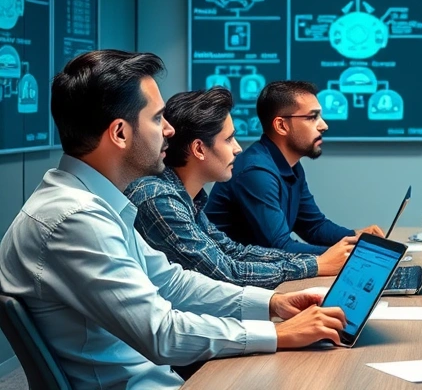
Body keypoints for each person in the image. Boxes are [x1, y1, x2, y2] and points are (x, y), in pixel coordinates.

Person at [0, 50, 349, 390]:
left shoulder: (93, 203)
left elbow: (172, 283)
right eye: (156, 118)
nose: (169, 130)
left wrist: (273, 303)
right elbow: (161, 333)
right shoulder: (75, 219)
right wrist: (278, 333)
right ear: (120, 133)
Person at [125, 87, 356, 289]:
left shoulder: (189, 199)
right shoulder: (159, 198)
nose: (237, 149)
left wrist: (325, 259)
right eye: (229, 140)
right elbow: (227, 272)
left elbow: (235, 252)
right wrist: (317, 263)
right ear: (199, 149)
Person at [205, 81, 383, 254]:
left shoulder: (291, 166)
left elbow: (313, 226)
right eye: (312, 117)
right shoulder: (255, 171)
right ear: (281, 125)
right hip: (234, 277)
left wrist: (356, 238)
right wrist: (342, 255)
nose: (324, 126)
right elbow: (278, 247)